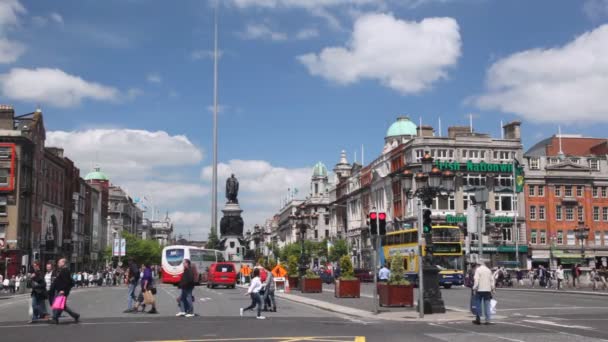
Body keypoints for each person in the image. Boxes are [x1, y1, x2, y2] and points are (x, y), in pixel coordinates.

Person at [50, 258, 80, 324]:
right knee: (62, 306)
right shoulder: (63, 270)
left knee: (58, 305)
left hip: (62, 291)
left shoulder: (65, 271)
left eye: (59, 262)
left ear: (63, 263)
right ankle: (75, 315)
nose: (58, 264)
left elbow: (66, 282)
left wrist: (62, 290)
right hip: (61, 290)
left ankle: (55, 318)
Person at [472, 260, 495, 325]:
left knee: (478, 304)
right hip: (487, 290)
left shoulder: (478, 270)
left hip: (479, 290)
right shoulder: (488, 270)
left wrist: (474, 288)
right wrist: (493, 289)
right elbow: (492, 280)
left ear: (478, 264)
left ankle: (478, 319)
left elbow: (476, 280)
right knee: (487, 305)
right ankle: (487, 320)